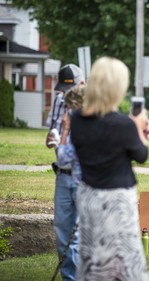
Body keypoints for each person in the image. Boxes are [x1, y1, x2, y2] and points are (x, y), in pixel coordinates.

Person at [70, 56, 149, 281]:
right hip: (116, 200)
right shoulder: (122, 124)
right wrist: (139, 128)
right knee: (124, 260)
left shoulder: (76, 119)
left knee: (93, 255)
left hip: (88, 195)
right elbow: (141, 155)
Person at [46, 64, 85, 281]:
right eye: (63, 89)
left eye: (69, 89)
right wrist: (52, 139)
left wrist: (67, 131)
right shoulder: (59, 102)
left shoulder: (93, 106)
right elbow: (53, 133)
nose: (65, 94)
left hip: (82, 178)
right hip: (62, 175)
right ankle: (70, 277)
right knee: (62, 234)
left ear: (82, 83)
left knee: (77, 236)